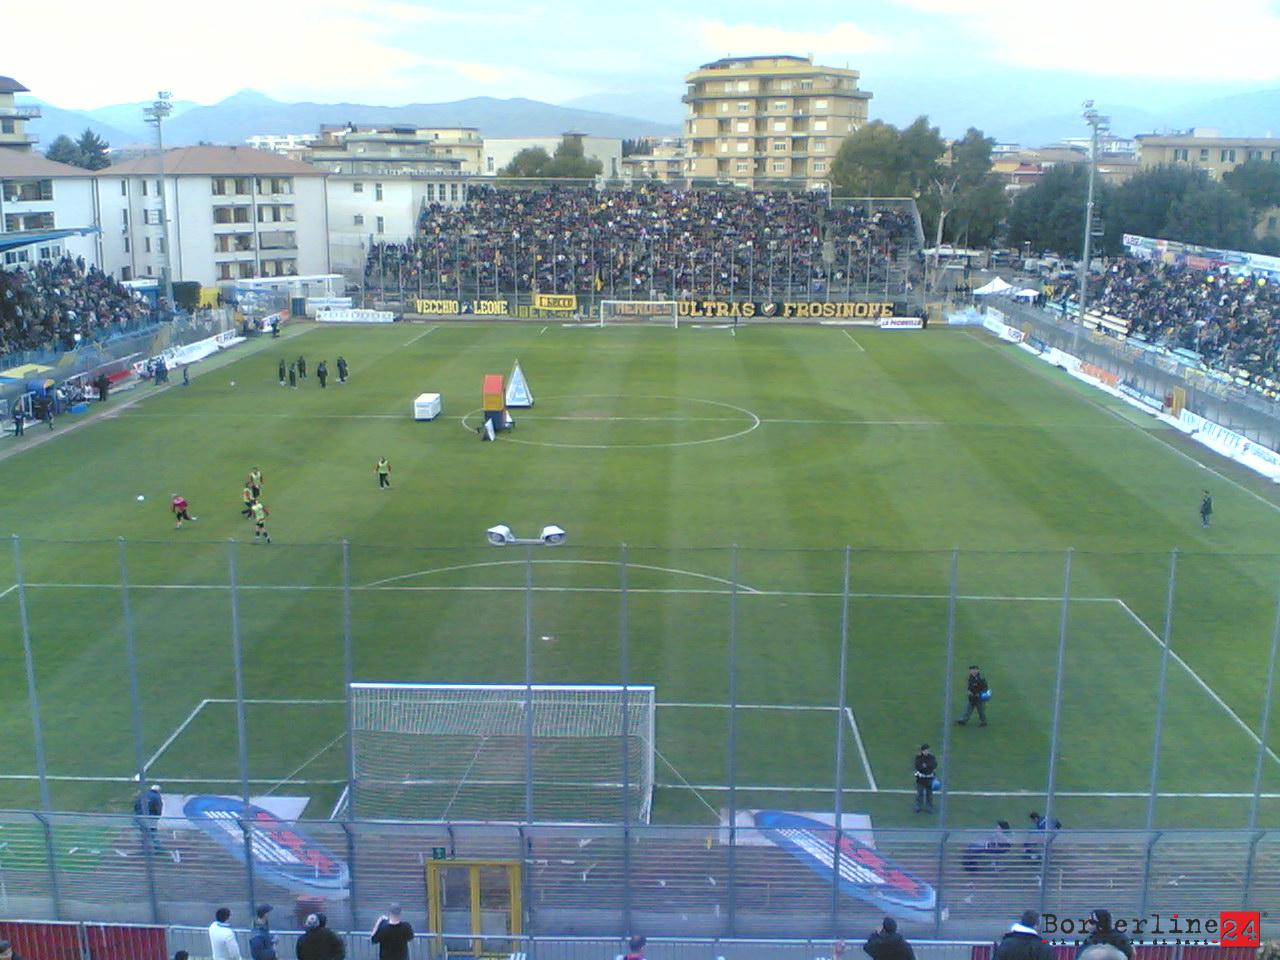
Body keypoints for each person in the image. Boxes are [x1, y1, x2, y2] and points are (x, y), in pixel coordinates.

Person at [133, 782, 164, 851]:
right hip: (150, 817)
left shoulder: (143, 794)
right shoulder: (157, 796)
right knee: (153, 832)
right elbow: (158, 807)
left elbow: (136, 805)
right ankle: (157, 848)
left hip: (140, 816)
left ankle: (144, 848)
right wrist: (157, 817)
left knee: (144, 832)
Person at [913, 743, 937, 813]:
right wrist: (927, 766)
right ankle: (918, 806)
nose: (927, 752)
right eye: (925, 750)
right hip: (921, 779)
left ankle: (929, 807)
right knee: (919, 793)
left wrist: (925, 765)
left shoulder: (932, 757)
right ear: (922, 751)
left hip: (929, 778)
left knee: (929, 794)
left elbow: (934, 765)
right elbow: (918, 767)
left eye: (927, 750)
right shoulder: (918, 758)